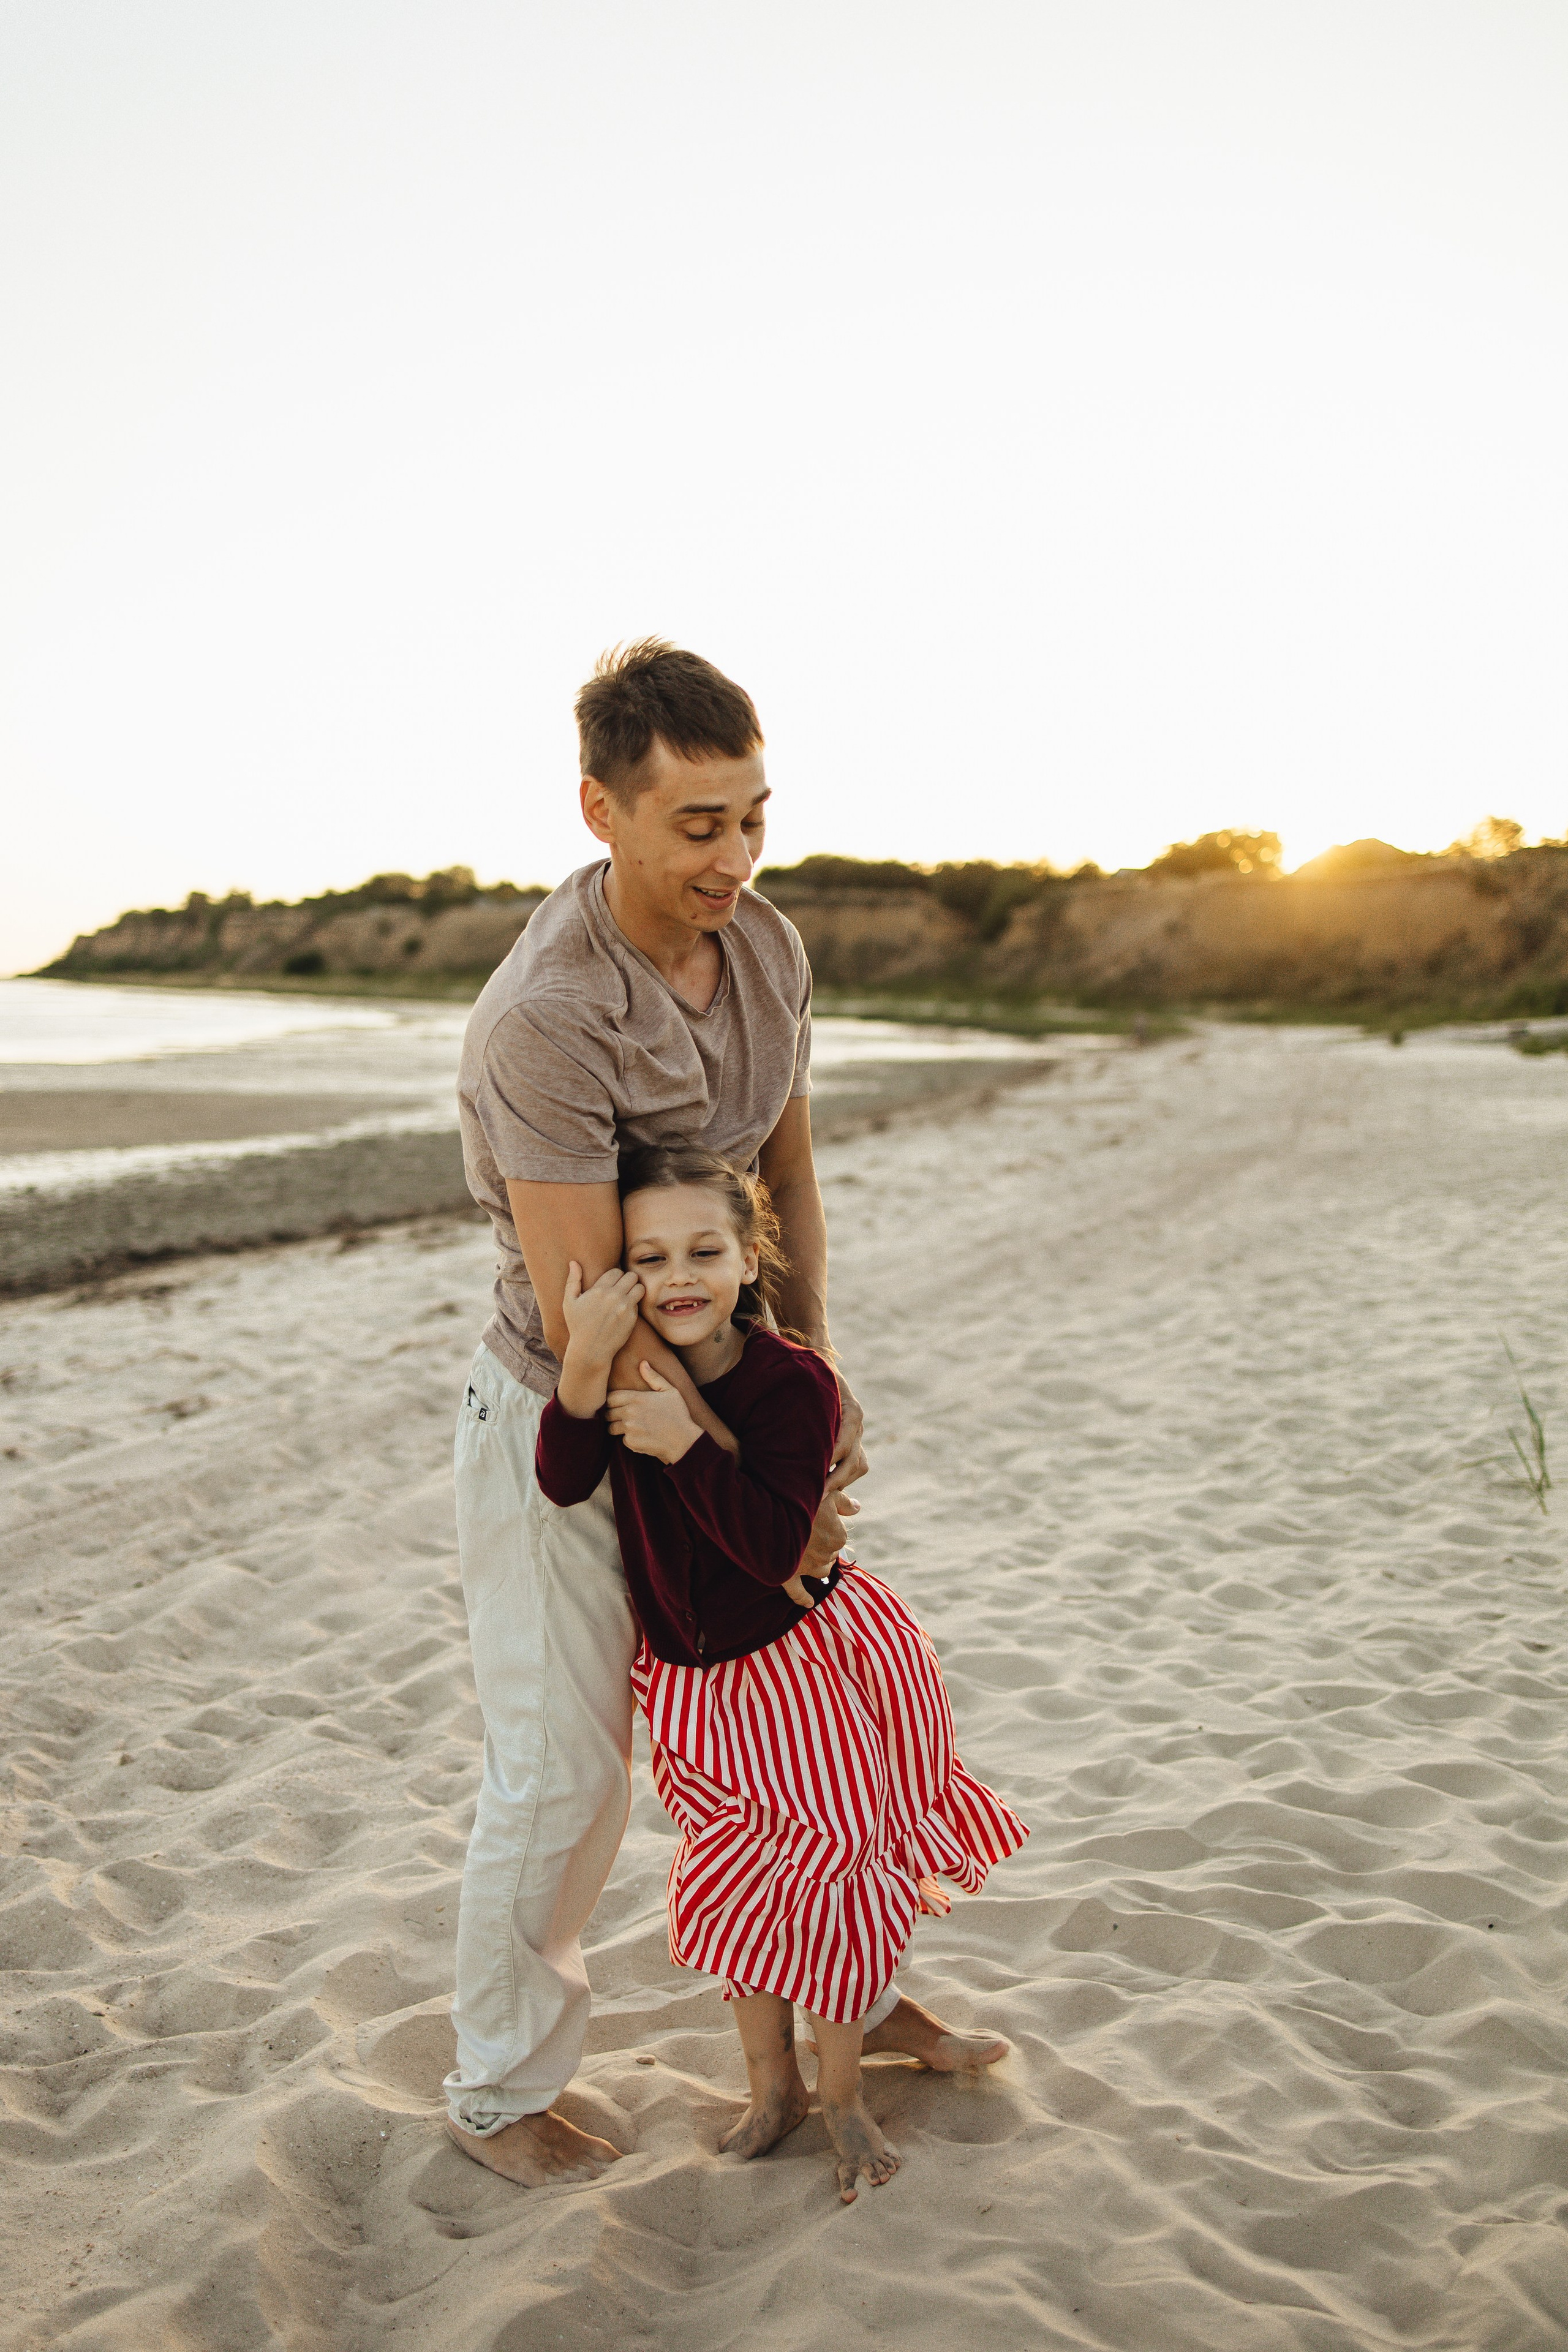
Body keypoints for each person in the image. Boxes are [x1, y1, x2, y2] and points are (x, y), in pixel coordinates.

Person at [445, 639, 1009, 2188]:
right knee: (564, 1769)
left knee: (798, 1726)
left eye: (753, 815)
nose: (734, 855)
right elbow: (589, 1318)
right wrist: (754, 1485)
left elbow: (786, 1173)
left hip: (737, 1395)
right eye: (696, 825)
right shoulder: (547, 1018)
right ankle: (495, 2093)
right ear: (600, 812)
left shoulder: (764, 946)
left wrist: (809, 1396)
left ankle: (855, 1989)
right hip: (568, 1414)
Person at [534, 1145, 1028, 2202]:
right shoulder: (632, 1367)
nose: (679, 1277)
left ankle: (842, 2092)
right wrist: (583, 1366)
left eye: (705, 1251)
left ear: (748, 1258)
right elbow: (565, 1475)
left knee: (833, 1888)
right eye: (650, 1256)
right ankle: (775, 2090)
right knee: (748, 1886)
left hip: (803, 1666)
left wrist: (683, 1445)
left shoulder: (788, 1383)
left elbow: (771, 1545)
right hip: (692, 1688)